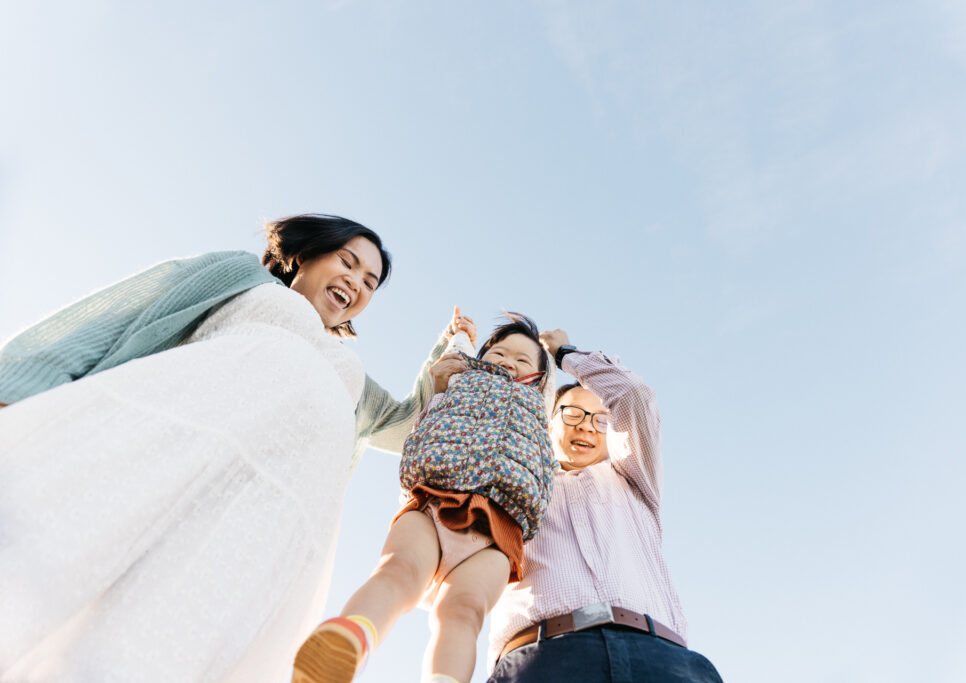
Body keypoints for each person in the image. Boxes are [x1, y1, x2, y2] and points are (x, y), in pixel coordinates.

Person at [0, 214, 451, 683]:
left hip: (261, 528)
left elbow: (407, 428)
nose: (356, 282)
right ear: (308, 253)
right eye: (348, 261)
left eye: (369, 281)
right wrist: (20, 380)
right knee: (41, 567)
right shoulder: (245, 278)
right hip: (164, 449)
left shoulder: (351, 373)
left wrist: (442, 361)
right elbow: (124, 313)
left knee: (155, 650)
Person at [292, 312, 558, 683]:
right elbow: (454, 356)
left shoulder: (538, 404)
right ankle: (346, 640)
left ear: (539, 377)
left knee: (463, 611)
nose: (508, 363)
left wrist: (557, 350)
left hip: (499, 526)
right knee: (397, 571)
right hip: (433, 498)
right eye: (499, 354)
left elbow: (550, 380)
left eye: (522, 359)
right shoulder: (461, 378)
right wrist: (459, 335)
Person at [485, 329, 724, 683]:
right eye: (573, 414)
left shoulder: (632, 477)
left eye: (601, 419)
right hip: (542, 657)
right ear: (548, 420)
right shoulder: (509, 477)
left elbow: (632, 395)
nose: (588, 427)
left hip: (660, 657)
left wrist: (564, 354)